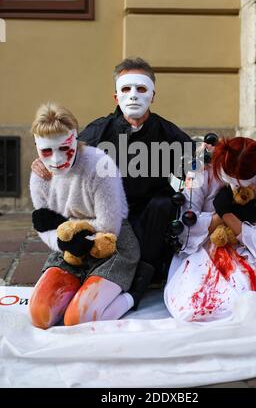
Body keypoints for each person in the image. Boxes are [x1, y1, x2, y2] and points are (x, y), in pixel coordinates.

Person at [31, 58, 195, 306]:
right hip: (104, 212)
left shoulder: (168, 133)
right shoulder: (99, 131)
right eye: (126, 89)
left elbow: (197, 162)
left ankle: (140, 282)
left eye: (141, 89)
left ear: (152, 95)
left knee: (165, 202)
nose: (134, 96)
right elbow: (69, 157)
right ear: (116, 97)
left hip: (149, 219)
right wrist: (45, 164)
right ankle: (75, 268)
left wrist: (208, 159)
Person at [29, 103, 140, 329]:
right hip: (69, 248)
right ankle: (80, 283)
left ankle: (133, 294)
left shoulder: (100, 165)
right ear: (37, 148)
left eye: (64, 148)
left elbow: (109, 226)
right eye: (47, 151)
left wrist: (65, 229)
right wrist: (62, 241)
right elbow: (46, 229)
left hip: (110, 244)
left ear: (74, 139)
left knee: (78, 319)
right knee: (39, 316)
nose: (57, 159)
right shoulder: (40, 177)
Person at [164, 137, 256, 322]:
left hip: (245, 250)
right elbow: (186, 227)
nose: (236, 187)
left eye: (243, 184)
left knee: (247, 300)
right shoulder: (201, 169)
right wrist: (219, 215)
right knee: (195, 304)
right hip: (203, 246)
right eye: (231, 181)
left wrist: (229, 214)